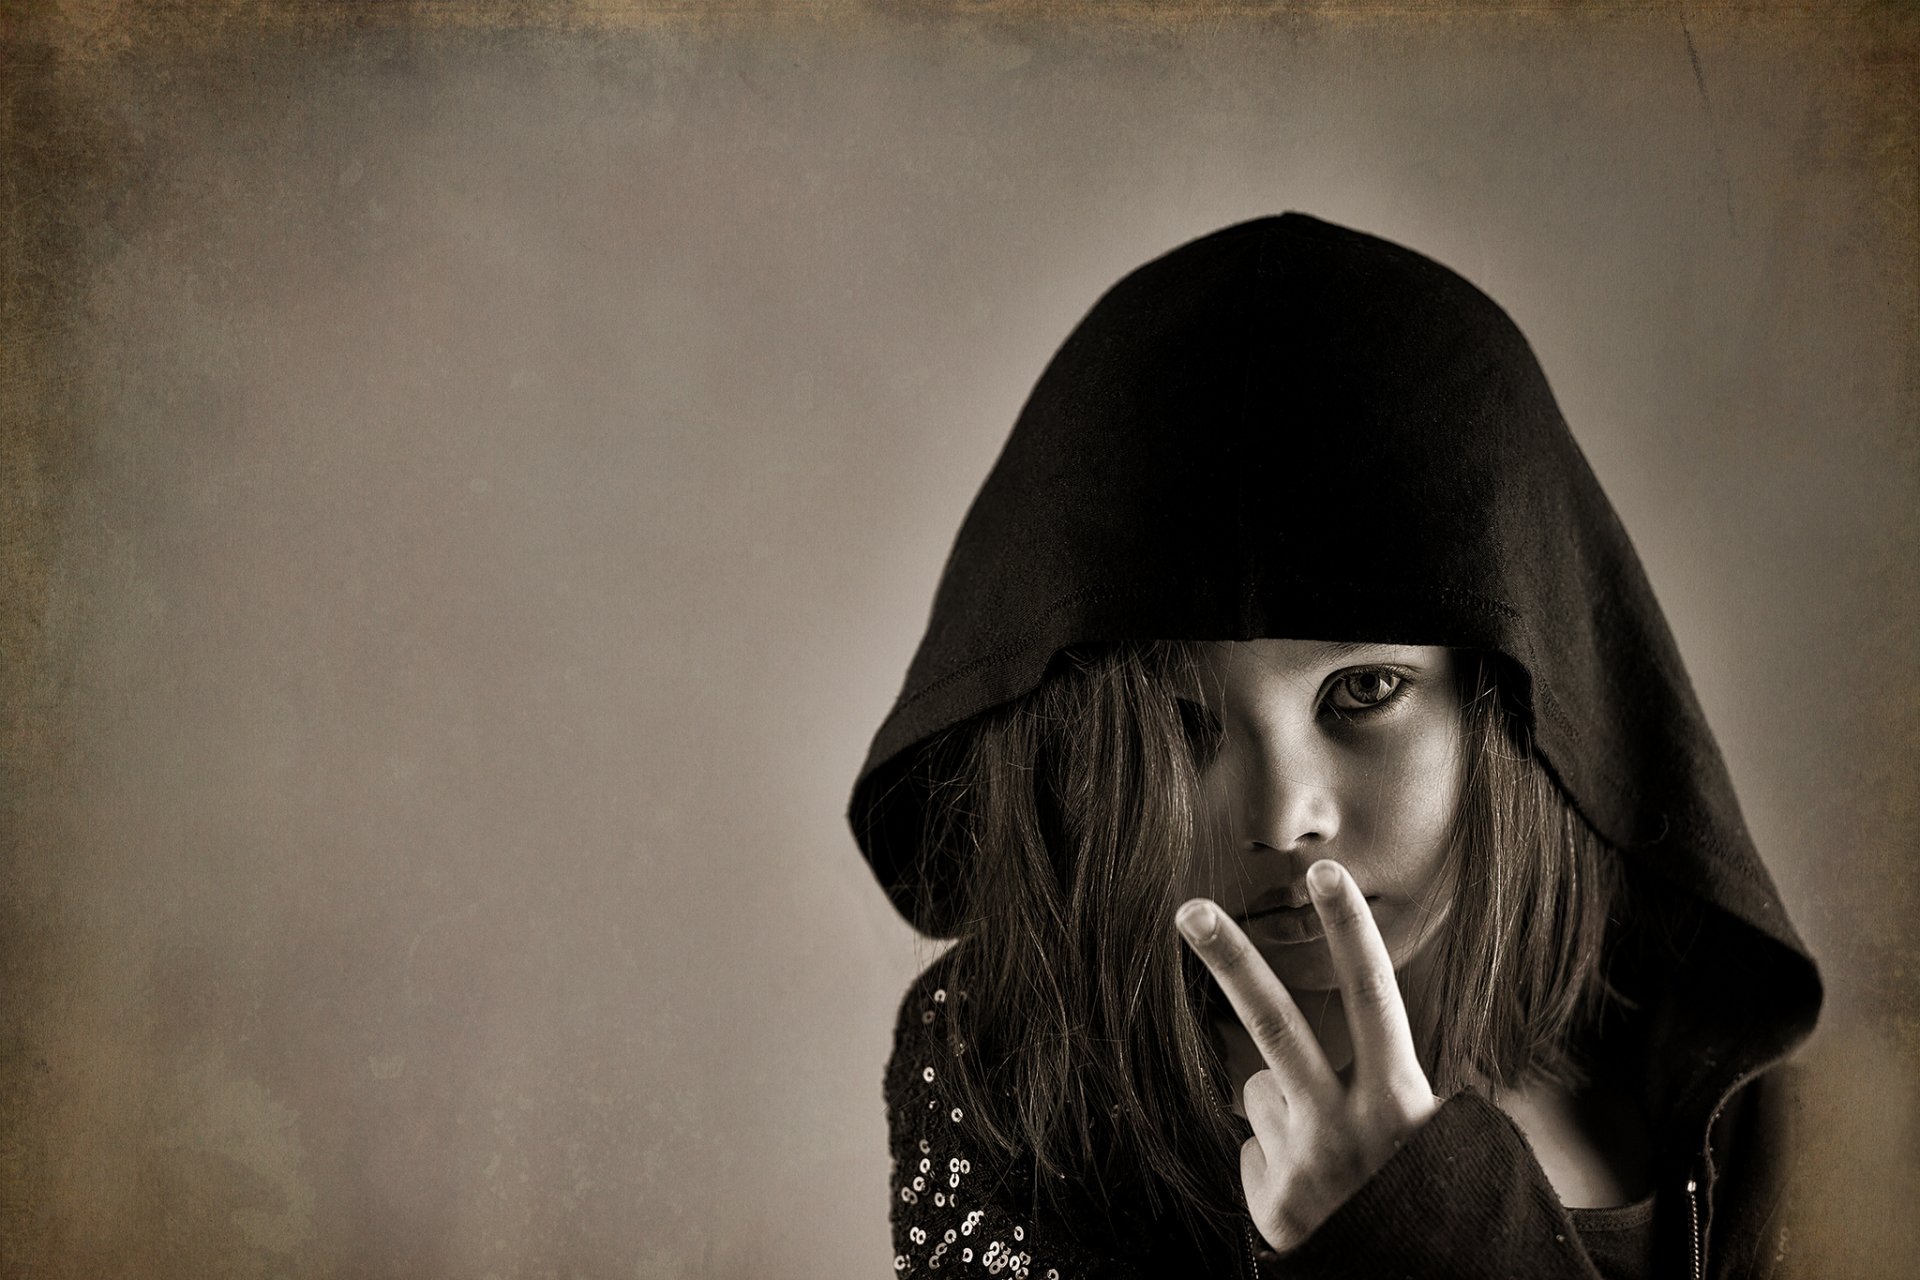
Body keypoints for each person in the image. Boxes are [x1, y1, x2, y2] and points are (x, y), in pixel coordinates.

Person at [848, 214, 1821, 1278]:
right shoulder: (1011, 1069)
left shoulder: (1713, 1052)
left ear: (1508, 696)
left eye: (1365, 690)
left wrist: (1432, 1231)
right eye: (1183, 726)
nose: (1281, 817)